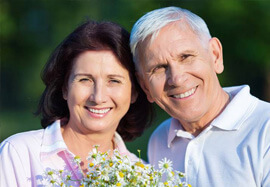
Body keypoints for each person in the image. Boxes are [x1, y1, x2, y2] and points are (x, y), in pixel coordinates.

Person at [0, 20, 152, 186]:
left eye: (114, 81)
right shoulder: (19, 154)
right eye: (85, 79)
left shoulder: (141, 175)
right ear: (65, 88)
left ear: (134, 92)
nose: (98, 97)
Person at [130, 6, 270, 186]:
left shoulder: (265, 129)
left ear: (215, 56)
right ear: (145, 87)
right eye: (158, 68)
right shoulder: (159, 141)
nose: (177, 79)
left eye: (186, 56)